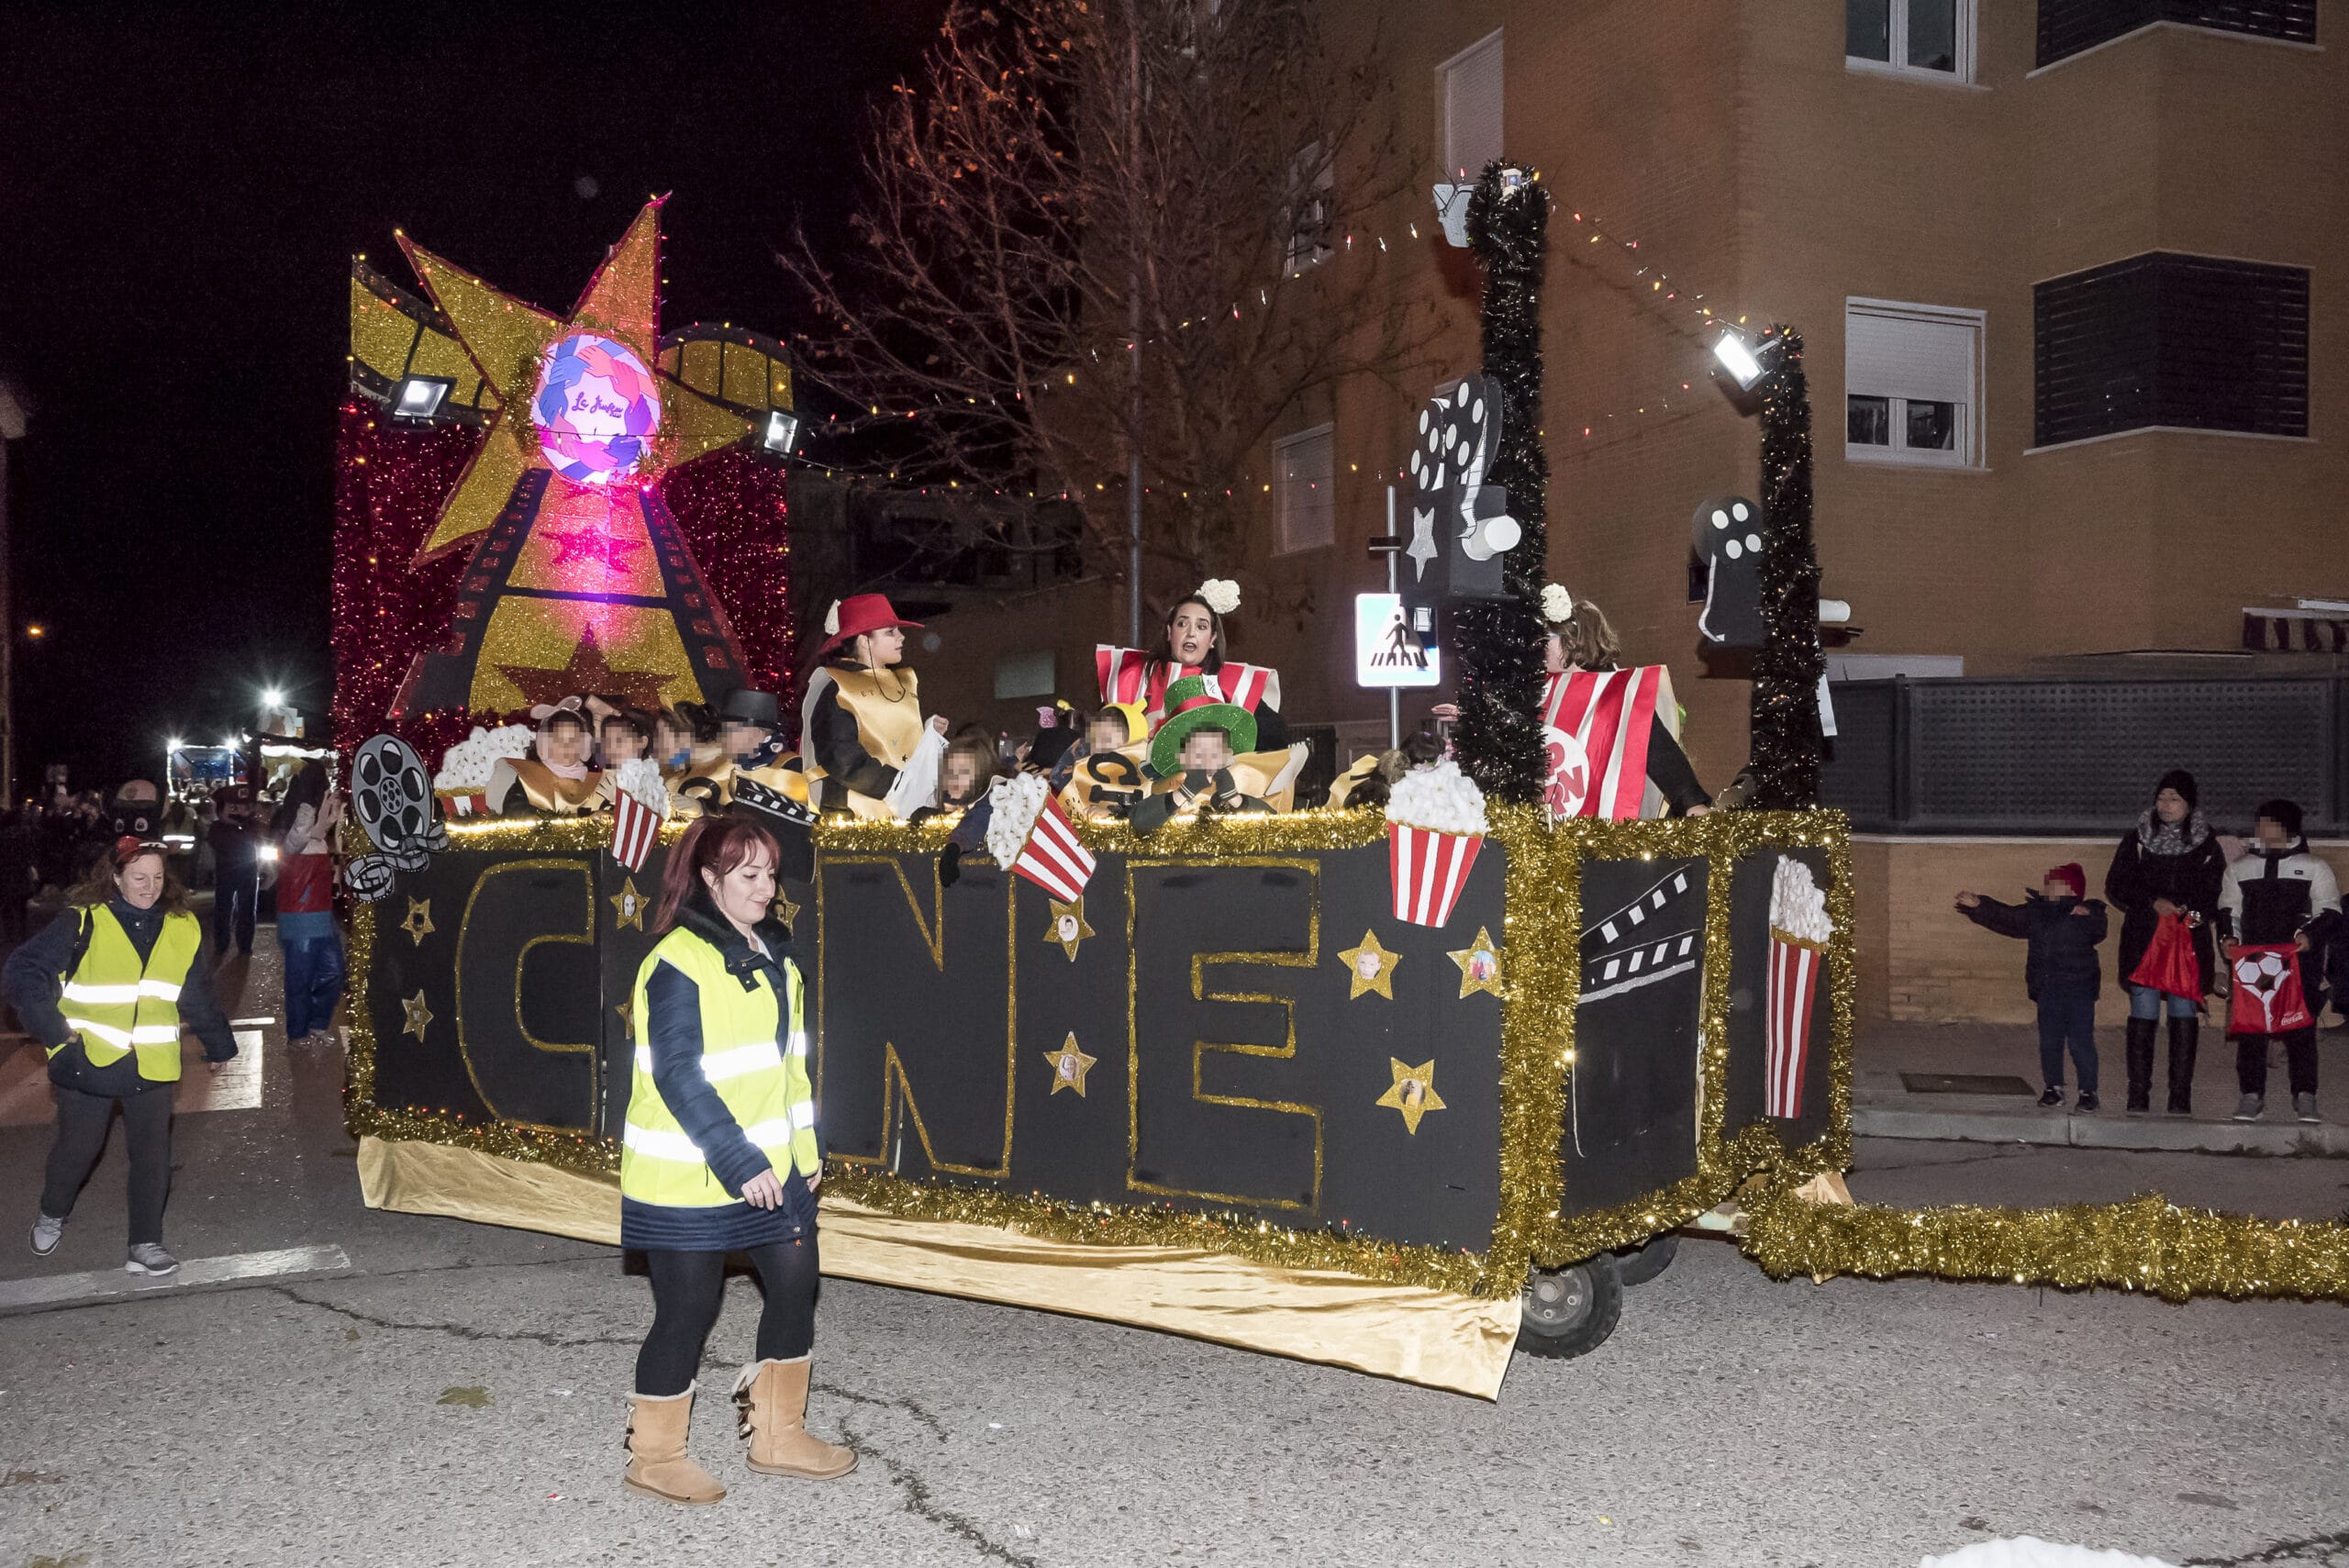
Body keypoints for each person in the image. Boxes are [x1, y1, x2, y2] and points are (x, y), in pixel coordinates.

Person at [619, 814, 852, 1505]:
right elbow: (678, 1075)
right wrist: (738, 1158)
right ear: (708, 879)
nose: (766, 888)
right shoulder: (677, 960)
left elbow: (789, 1069)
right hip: (688, 1175)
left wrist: (805, 1152)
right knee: (688, 1310)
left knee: (796, 1284)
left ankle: (777, 1435)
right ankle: (655, 1456)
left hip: (774, 1171)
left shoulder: (776, 956)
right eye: (748, 874)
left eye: (770, 874)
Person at [6, 836, 238, 1274]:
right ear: (115, 878)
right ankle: (52, 1212)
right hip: (87, 1058)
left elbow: (195, 993)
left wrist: (219, 1043)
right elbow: (22, 970)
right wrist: (52, 1029)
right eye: (139, 878)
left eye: (157, 877)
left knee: (153, 1155)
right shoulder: (83, 920)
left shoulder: (182, 925)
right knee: (78, 1149)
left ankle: (145, 1244)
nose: (150, 887)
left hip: (152, 1061)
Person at [2102, 769, 2226, 1115]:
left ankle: (2180, 1096)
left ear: (2189, 805)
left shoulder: (2207, 844)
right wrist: (2152, 903)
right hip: (2145, 937)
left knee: (2182, 1010)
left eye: (2174, 799)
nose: (2165, 804)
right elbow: (2117, 885)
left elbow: (2216, 894)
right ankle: (2138, 1094)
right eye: (2161, 798)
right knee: (2142, 1009)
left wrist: (2192, 914)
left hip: (2187, 938)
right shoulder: (2137, 840)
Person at [2219, 798, 2341, 1123]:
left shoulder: (2314, 867)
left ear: (2287, 827)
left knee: (2301, 1029)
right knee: (2252, 1030)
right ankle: (2251, 1095)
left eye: (2268, 823)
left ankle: (2305, 1096)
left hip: (2299, 964)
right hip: (2253, 964)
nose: (2261, 829)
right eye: (2259, 823)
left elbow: (2330, 911)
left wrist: (2309, 937)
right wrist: (2228, 939)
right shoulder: (2240, 868)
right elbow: (2229, 911)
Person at [1955, 863, 2110, 1112]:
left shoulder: (2086, 913)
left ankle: (2088, 1091)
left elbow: (2099, 927)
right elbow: (2007, 917)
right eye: (2048, 882)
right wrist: (1980, 905)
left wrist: (2088, 912)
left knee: (2081, 1042)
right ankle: (2053, 1088)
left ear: (2072, 889)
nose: (2048, 886)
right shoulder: (2037, 912)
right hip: (2048, 988)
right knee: (2049, 1041)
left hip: (2079, 990)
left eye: (2056, 883)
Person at [799, 594, 949, 820]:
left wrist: (929, 736)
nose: (901, 637)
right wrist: (900, 787)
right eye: (890, 632)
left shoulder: (905, 683)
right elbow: (842, 758)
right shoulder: (840, 688)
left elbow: (899, 745)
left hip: (906, 811)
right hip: (856, 815)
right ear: (864, 641)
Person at [1096, 583, 1287, 749]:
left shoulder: (1231, 684)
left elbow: (1276, 738)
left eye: (1201, 626)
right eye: (1182, 624)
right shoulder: (1135, 676)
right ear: (1170, 633)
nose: (1191, 633)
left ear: (1212, 639)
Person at [1130, 677, 1275, 835]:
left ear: (1229, 754)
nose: (1208, 758)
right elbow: (1137, 823)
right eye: (1199, 751)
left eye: (1216, 750)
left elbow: (1276, 827)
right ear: (1182, 756)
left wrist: (1235, 799)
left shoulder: (1243, 778)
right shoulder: (1163, 786)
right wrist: (1183, 793)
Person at [274, 771, 344, 1046]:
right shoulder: (294, 839)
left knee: (333, 971)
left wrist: (328, 809)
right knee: (300, 978)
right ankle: (298, 1032)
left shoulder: (317, 841)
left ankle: (316, 1023)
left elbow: (317, 829)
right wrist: (309, 800)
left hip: (322, 916)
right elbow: (302, 829)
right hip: (300, 918)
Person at [486, 705, 604, 815]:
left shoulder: (596, 784)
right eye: (559, 740)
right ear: (545, 744)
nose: (567, 747)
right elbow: (515, 810)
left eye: (573, 740)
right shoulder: (531, 778)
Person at [207, 786, 260, 959]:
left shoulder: (251, 825)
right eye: (232, 807)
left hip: (248, 870)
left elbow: (258, 836)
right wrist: (233, 824)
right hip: (226, 870)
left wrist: (243, 821)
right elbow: (216, 842)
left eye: (243, 806)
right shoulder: (218, 827)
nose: (237, 811)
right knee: (223, 908)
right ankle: (221, 944)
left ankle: (245, 945)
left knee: (247, 909)